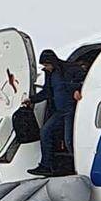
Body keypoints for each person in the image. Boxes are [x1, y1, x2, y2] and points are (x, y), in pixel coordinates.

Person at [23, 48, 85, 177]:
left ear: (52, 62)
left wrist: (78, 89)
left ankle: (79, 167)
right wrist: (32, 100)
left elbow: (82, 79)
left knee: (69, 140)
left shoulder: (70, 68)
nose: (46, 68)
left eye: (46, 65)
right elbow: (47, 91)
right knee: (45, 131)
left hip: (71, 109)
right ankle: (46, 165)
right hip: (59, 110)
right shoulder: (50, 74)